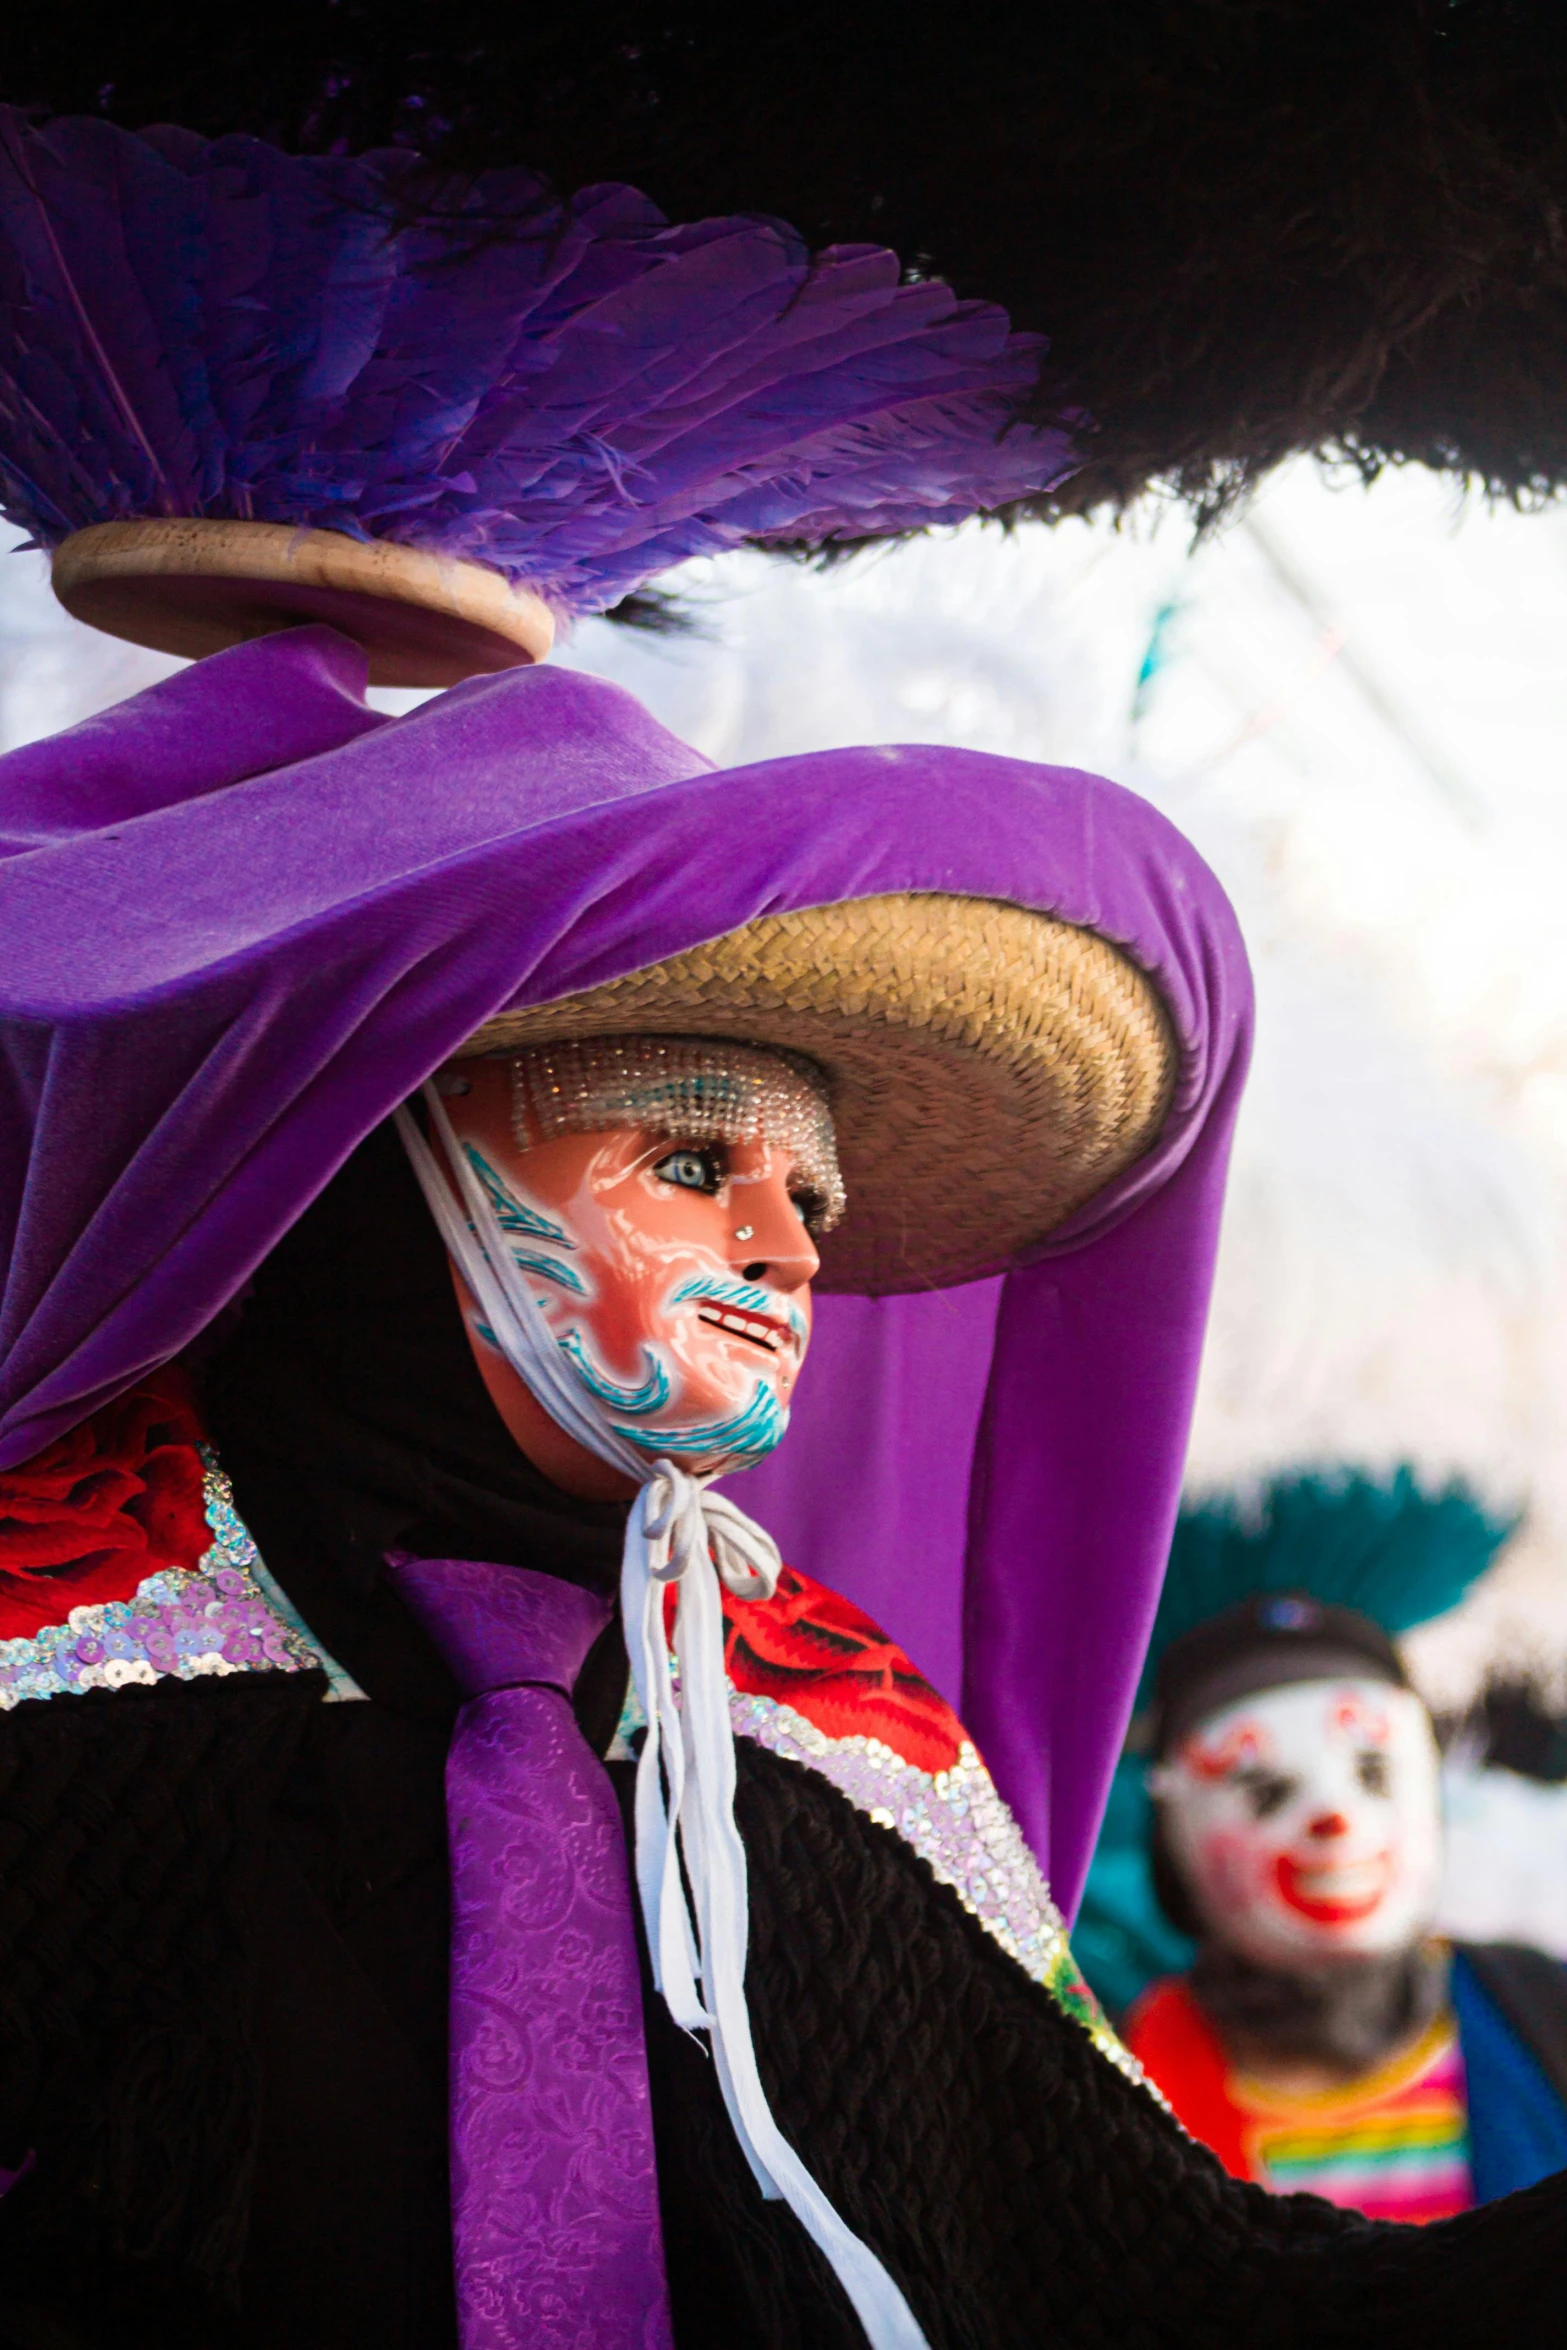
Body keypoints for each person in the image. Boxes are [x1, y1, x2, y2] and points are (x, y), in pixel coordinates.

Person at [0, 105, 1564, 2350]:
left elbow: (1184, 2296)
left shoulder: (832, 1738)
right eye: (689, 1153)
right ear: (376, 1155)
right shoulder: (51, 1640)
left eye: (815, 1187)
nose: (796, 1241)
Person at [1093, 1486, 1567, 2219]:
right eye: (1262, 1790)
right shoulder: (1116, 2089)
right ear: (1169, 1845)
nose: (1334, 1819)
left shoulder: (1544, 2013)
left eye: (1374, 1773)